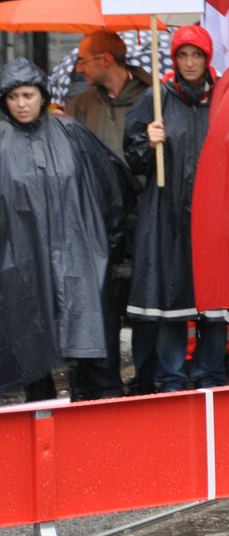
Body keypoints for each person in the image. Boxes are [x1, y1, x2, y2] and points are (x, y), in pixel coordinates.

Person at [0, 59, 131, 402]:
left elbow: (110, 185)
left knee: (89, 339)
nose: (21, 103)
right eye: (13, 97)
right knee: (33, 344)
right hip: (25, 263)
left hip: (79, 257)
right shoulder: (1, 145)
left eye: (28, 94)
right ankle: (40, 417)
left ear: (41, 96)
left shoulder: (71, 133)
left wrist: (111, 244)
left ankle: (95, 415)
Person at [124, 24, 227, 392]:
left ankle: (209, 373)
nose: (189, 62)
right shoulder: (156, 98)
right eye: (182, 55)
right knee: (170, 297)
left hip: (212, 213)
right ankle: (171, 376)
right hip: (166, 213)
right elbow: (133, 159)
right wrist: (149, 145)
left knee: (214, 300)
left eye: (196, 55)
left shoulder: (223, 98)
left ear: (207, 58)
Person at [63, 32, 155, 398]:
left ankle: (149, 383)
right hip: (99, 226)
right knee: (102, 308)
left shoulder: (154, 99)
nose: (79, 67)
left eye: (84, 60)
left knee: (148, 307)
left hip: (147, 219)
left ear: (105, 60)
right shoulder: (81, 105)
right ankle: (105, 388)